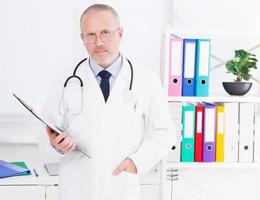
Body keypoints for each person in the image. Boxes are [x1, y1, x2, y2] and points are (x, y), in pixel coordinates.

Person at [38, 4, 176, 200]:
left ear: (120, 34)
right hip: (77, 188)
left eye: (106, 33)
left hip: (121, 185)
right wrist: (55, 144)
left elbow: (164, 132)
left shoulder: (147, 80)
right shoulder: (64, 81)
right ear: (82, 39)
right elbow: (44, 134)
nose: (99, 42)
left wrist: (136, 162)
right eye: (91, 35)